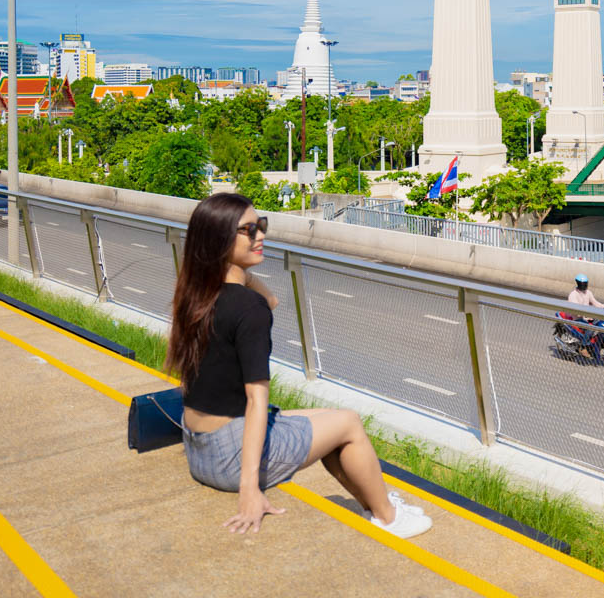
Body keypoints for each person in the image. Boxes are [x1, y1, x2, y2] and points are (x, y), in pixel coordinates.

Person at [165, 193, 431, 538]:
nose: (261, 236)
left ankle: (375, 501)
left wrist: (240, 272)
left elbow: (271, 300)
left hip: (200, 450)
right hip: (230, 460)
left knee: (325, 417)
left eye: (261, 226)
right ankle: (389, 518)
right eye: (249, 230)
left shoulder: (195, 295)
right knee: (348, 423)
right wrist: (249, 490)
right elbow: (256, 401)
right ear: (220, 239)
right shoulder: (247, 310)